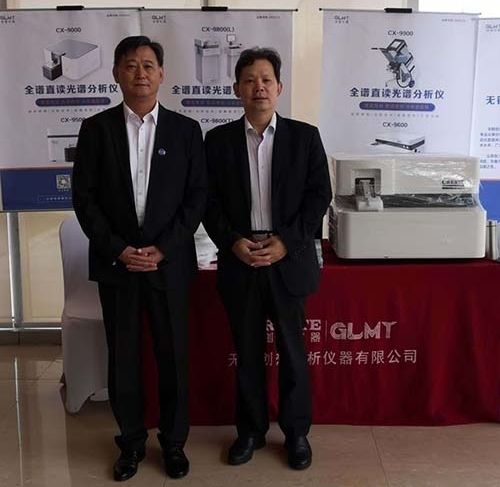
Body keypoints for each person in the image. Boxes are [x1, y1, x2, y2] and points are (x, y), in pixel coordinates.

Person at [72, 35, 206, 482]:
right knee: (124, 359)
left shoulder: (186, 131)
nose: (140, 73)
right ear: (116, 74)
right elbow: (85, 199)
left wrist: (163, 248)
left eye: (149, 65)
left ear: (162, 74)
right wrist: (119, 248)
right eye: (130, 65)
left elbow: (196, 197)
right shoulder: (96, 129)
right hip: (119, 264)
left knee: (173, 356)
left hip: (169, 264)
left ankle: (173, 443)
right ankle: (130, 443)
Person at [203, 47, 332, 470]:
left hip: (287, 260)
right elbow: (207, 201)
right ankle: (250, 431)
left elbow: (319, 196)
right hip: (240, 258)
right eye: (249, 80)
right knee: (247, 352)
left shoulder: (304, 137)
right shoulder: (217, 141)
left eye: (266, 79)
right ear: (236, 89)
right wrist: (233, 242)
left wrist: (287, 242)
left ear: (279, 87)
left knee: (293, 351)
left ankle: (296, 434)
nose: (258, 87)